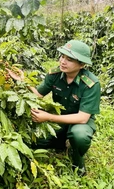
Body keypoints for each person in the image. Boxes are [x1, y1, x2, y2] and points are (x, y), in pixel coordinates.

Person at [8, 40, 101, 175]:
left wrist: (48, 117)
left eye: (69, 59)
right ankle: (62, 143)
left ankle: (78, 162)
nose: (63, 61)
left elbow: (82, 117)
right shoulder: (54, 74)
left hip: (80, 122)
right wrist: (22, 81)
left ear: (81, 64)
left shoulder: (91, 84)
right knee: (35, 141)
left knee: (79, 136)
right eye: (62, 56)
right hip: (59, 118)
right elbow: (38, 95)